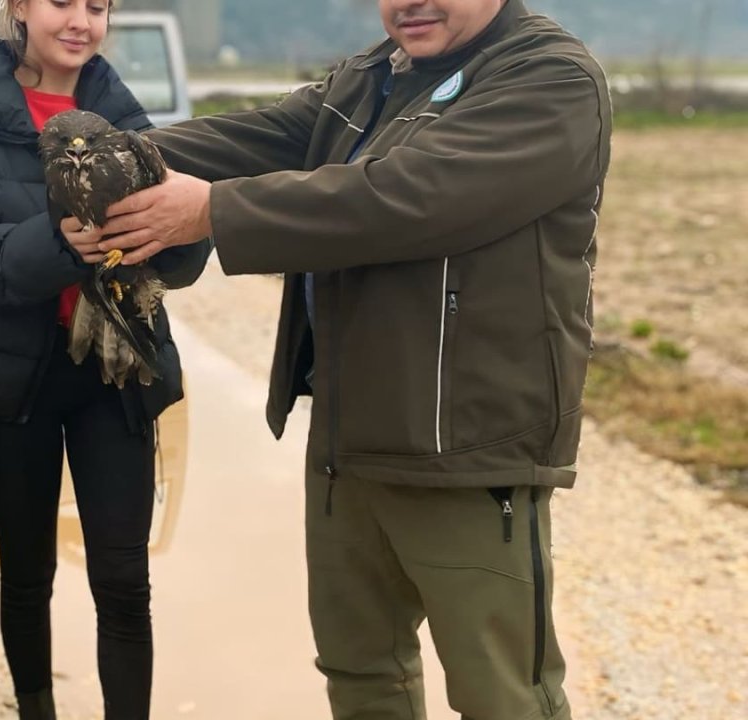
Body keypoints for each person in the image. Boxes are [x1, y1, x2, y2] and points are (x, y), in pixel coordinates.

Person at [71, 1, 612, 718]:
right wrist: (110, 155)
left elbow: (406, 197)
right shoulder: (376, 72)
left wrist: (213, 213)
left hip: (469, 449)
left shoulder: (549, 79)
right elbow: (262, 137)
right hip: (348, 436)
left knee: (501, 692)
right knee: (361, 672)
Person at [0, 1, 210, 717]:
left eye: (98, 6)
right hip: (12, 380)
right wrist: (60, 246)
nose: (81, 20)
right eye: (61, 3)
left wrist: (187, 227)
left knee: (125, 578)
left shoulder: (131, 123)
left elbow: (187, 261)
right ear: (18, 8)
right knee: (26, 573)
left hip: (117, 377)